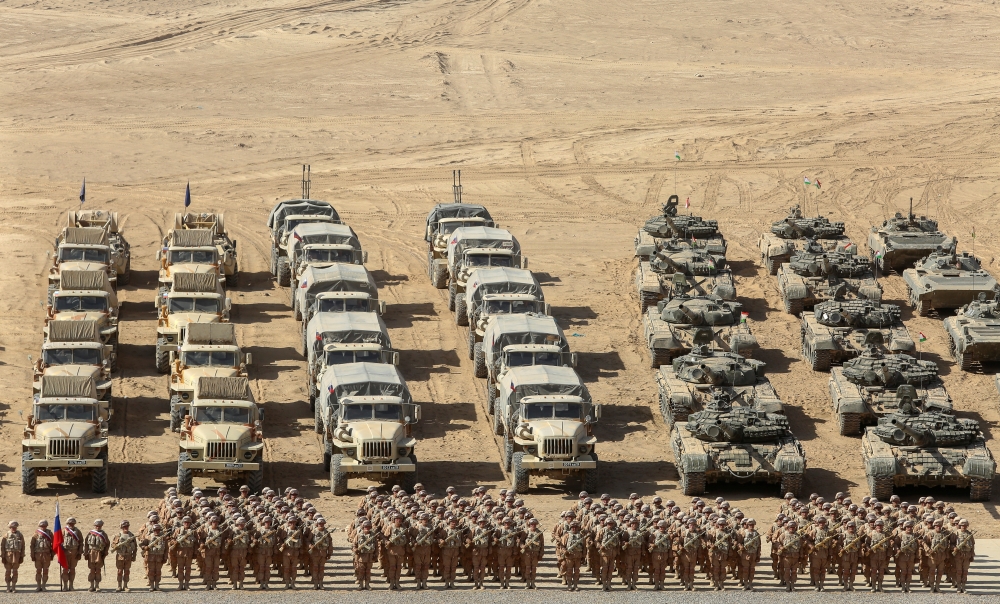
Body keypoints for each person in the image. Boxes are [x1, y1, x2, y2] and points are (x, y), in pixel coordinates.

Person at [806, 516, 834, 591]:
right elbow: (808, 540)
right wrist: (811, 546)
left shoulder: (828, 532)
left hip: (825, 553)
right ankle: (816, 585)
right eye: (820, 523)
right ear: (818, 523)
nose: (822, 524)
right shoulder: (814, 531)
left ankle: (821, 585)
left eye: (823, 523)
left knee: (823, 570)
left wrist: (830, 555)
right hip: (816, 553)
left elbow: (830, 545)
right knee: (816, 570)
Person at [110, 520, 137, 592]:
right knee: (120, 571)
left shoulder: (131, 535)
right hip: (120, 556)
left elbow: (135, 547)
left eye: (127, 526)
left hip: (128, 556)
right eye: (124, 526)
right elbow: (112, 545)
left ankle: (125, 586)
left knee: (127, 571)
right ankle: (119, 586)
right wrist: (117, 546)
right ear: (121, 527)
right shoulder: (118, 535)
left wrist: (134, 556)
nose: (126, 528)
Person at [171, 516, 197, 590]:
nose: (187, 524)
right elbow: (172, 539)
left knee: (188, 569)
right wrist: (174, 542)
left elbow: (196, 543)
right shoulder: (178, 530)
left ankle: (187, 584)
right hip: (180, 553)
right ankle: (180, 584)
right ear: (183, 523)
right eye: (185, 522)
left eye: (188, 522)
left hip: (189, 553)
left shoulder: (193, 531)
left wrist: (195, 553)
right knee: (180, 569)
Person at [140, 524, 168, 591]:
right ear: (153, 530)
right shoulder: (149, 537)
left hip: (159, 558)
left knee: (158, 572)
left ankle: (157, 585)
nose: (157, 531)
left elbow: (166, 549)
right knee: (151, 572)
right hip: (151, 557)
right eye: (155, 530)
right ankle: (152, 586)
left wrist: (165, 557)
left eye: (158, 530)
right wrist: (144, 547)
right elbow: (142, 544)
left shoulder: (163, 538)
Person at [894, 520, 919, 593]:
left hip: (911, 556)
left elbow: (917, 547)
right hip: (903, 556)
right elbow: (895, 544)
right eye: (908, 527)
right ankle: (903, 587)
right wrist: (898, 550)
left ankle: (908, 586)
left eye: (911, 527)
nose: (909, 528)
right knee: (903, 572)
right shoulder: (901, 535)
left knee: (909, 572)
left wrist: (917, 556)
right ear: (905, 527)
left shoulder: (914, 536)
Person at [410, 513, 435, 589]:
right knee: (418, 566)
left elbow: (433, 538)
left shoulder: (431, 527)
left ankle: (424, 582)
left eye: (426, 519)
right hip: (418, 549)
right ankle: (418, 583)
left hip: (427, 549)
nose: (425, 521)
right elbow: (411, 537)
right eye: (424, 519)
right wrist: (415, 543)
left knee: (426, 566)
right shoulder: (416, 527)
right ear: (420, 520)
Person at [307, 517, 332, 590]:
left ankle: (321, 584)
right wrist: (310, 545)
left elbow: (330, 544)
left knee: (321, 569)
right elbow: (308, 541)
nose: (321, 525)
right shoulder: (313, 532)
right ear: (317, 524)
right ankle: (315, 584)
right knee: (315, 569)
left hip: (323, 554)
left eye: (322, 524)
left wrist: (329, 553)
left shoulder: (327, 533)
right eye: (319, 524)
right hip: (315, 553)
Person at [252, 516, 278, 589]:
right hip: (261, 551)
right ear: (264, 522)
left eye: (269, 522)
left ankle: (266, 583)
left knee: (267, 568)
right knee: (261, 568)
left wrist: (275, 550)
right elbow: (255, 539)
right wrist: (254, 541)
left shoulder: (272, 531)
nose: (268, 523)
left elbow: (275, 542)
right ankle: (261, 583)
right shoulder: (259, 530)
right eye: (266, 522)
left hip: (269, 551)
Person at [384, 514, 409, 590]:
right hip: (392, 551)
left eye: (400, 519)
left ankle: (397, 582)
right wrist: (387, 542)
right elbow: (385, 537)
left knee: (398, 568)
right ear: (394, 520)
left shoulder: (404, 528)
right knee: (392, 567)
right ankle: (392, 583)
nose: (399, 520)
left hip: (400, 551)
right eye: (397, 519)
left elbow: (407, 538)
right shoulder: (390, 527)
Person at [437, 517, 462, 589]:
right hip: (447, 551)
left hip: (455, 551)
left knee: (453, 568)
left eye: (454, 522)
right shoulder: (445, 530)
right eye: (452, 522)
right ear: (449, 522)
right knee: (447, 567)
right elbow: (438, 538)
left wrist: (460, 552)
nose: (453, 523)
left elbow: (461, 541)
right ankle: (446, 582)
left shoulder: (458, 531)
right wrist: (441, 541)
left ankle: (452, 582)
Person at [200, 516, 225, 590]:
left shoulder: (220, 530)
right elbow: (202, 539)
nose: (215, 523)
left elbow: (223, 542)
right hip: (208, 552)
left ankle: (214, 584)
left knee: (216, 568)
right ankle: (208, 584)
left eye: (217, 522)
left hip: (216, 552)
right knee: (208, 568)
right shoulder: (207, 529)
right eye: (214, 522)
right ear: (211, 522)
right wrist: (202, 544)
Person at [777, 521, 802, 592]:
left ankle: (793, 585)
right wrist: (780, 547)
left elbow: (801, 547)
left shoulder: (798, 536)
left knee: (794, 571)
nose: (792, 528)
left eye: (793, 527)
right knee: (787, 571)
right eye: (790, 527)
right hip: (786, 557)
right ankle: (788, 585)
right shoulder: (784, 535)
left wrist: (801, 556)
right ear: (788, 527)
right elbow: (777, 542)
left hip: (795, 557)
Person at [468, 516, 492, 590]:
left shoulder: (487, 531)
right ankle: (475, 583)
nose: (482, 523)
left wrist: (490, 550)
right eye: (481, 522)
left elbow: (489, 541)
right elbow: (469, 538)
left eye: (484, 522)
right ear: (478, 522)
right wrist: (468, 541)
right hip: (476, 551)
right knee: (476, 568)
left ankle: (481, 583)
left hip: (484, 551)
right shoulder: (474, 530)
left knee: (482, 568)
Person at [59, 517, 83, 591]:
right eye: (69, 523)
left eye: (72, 523)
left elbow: (81, 542)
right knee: (65, 570)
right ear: (67, 523)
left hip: (74, 553)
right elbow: (58, 542)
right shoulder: (63, 530)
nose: (71, 525)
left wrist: (79, 552)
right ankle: (65, 585)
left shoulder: (78, 531)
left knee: (72, 570)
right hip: (65, 553)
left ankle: (71, 585)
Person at [278, 516, 302, 589]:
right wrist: (282, 544)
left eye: (294, 522)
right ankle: (287, 583)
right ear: (288, 523)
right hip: (287, 552)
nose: (292, 524)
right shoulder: (285, 530)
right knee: (286, 569)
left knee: (294, 569)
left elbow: (302, 541)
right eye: (291, 522)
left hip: (295, 552)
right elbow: (280, 539)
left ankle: (293, 583)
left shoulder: (298, 531)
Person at [647, 520, 672, 591]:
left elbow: (670, 546)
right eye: (660, 527)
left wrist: (670, 556)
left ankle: (662, 584)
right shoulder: (654, 534)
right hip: (656, 554)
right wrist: (653, 545)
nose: (662, 528)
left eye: (663, 527)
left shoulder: (667, 536)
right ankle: (656, 585)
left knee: (663, 570)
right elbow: (648, 543)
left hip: (664, 554)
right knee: (657, 570)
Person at [29, 520, 53, 592]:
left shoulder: (50, 533)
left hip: (47, 555)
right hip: (38, 555)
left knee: (45, 571)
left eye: (44, 526)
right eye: (42, 526)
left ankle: (44, 586)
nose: (43, 527)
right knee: (38, 571)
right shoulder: (36, 533)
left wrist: (52, 554)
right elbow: (32, 545)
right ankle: (38, 586)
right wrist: (32, 555)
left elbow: (54, 544)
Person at [952, 519, 975, 593]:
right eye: (962, 525)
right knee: (959, 571)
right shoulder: (956, 533)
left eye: (965, 525)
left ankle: (963, 586)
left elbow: (972, 545)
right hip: (958, 555)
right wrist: (954, 548)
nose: (963, 527)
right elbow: (951, 543)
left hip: (967, 555)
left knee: (965, 571)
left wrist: (972, 555)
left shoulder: (969, 534)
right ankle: (958, 586)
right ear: (960, 525)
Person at [520, 518, 544, 589]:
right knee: (527, 568)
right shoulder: (526, 532)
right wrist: (523, 546)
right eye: (531, 524)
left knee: (533, 568)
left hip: (535, 553)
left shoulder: (539, 533)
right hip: (527, 553)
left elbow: (542, 544)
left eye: (534, 524)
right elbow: (521, 541)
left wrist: (541, 554)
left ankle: (533, 583)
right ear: (529, 525)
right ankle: (527, 583)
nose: (533, 526)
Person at [494, 517, 518, 589]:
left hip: (510, 551)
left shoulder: (513, 531)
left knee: (509, 568)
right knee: (501, 568)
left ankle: (507, 582)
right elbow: (495, 536)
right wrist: (495, 539)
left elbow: (516, 540)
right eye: (505, 523)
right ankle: (502, 583)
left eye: (508, 523)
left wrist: (515, 551)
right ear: (503, 523)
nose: (507, 524)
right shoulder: (499, 529)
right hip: (501, 551)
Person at [738, 519, 761, 591]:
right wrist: (740, 547)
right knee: (745, 570)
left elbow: (759, 546)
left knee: (752, 570)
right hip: (745, 554)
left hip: (753, 554)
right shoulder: (743, 533)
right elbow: (739, 542)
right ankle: (745, 584)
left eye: (752, 525)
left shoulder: (756, 534)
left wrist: (758, 555)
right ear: (747, 525)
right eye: (750, 525)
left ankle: (750, 584)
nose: (751, 526)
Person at [561, 522, 585, 591]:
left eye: (575, 527)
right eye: (572, 527)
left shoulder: (581, 536)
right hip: (569, 557)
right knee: (569, 571)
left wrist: (583, 557)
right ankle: (569, 585)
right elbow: (562, 546)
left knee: (577, 571)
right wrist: (564, 551)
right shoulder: (566, 536)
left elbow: (584, 548)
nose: (574, 529)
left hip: (578, 557)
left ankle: (575, 585)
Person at [2, 521, 25, 593]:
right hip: (8, 556)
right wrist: (3, 556)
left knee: (15, 572)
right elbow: (2, 546)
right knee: (8, 572)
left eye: (15, 527)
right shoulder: (6, 535)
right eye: (12, 527)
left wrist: (22, 556)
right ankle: (8, 587)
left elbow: (23, 546)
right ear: (10, 527)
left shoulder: (20, 535)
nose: (13, 529)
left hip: (17, 556)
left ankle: (14, 587)